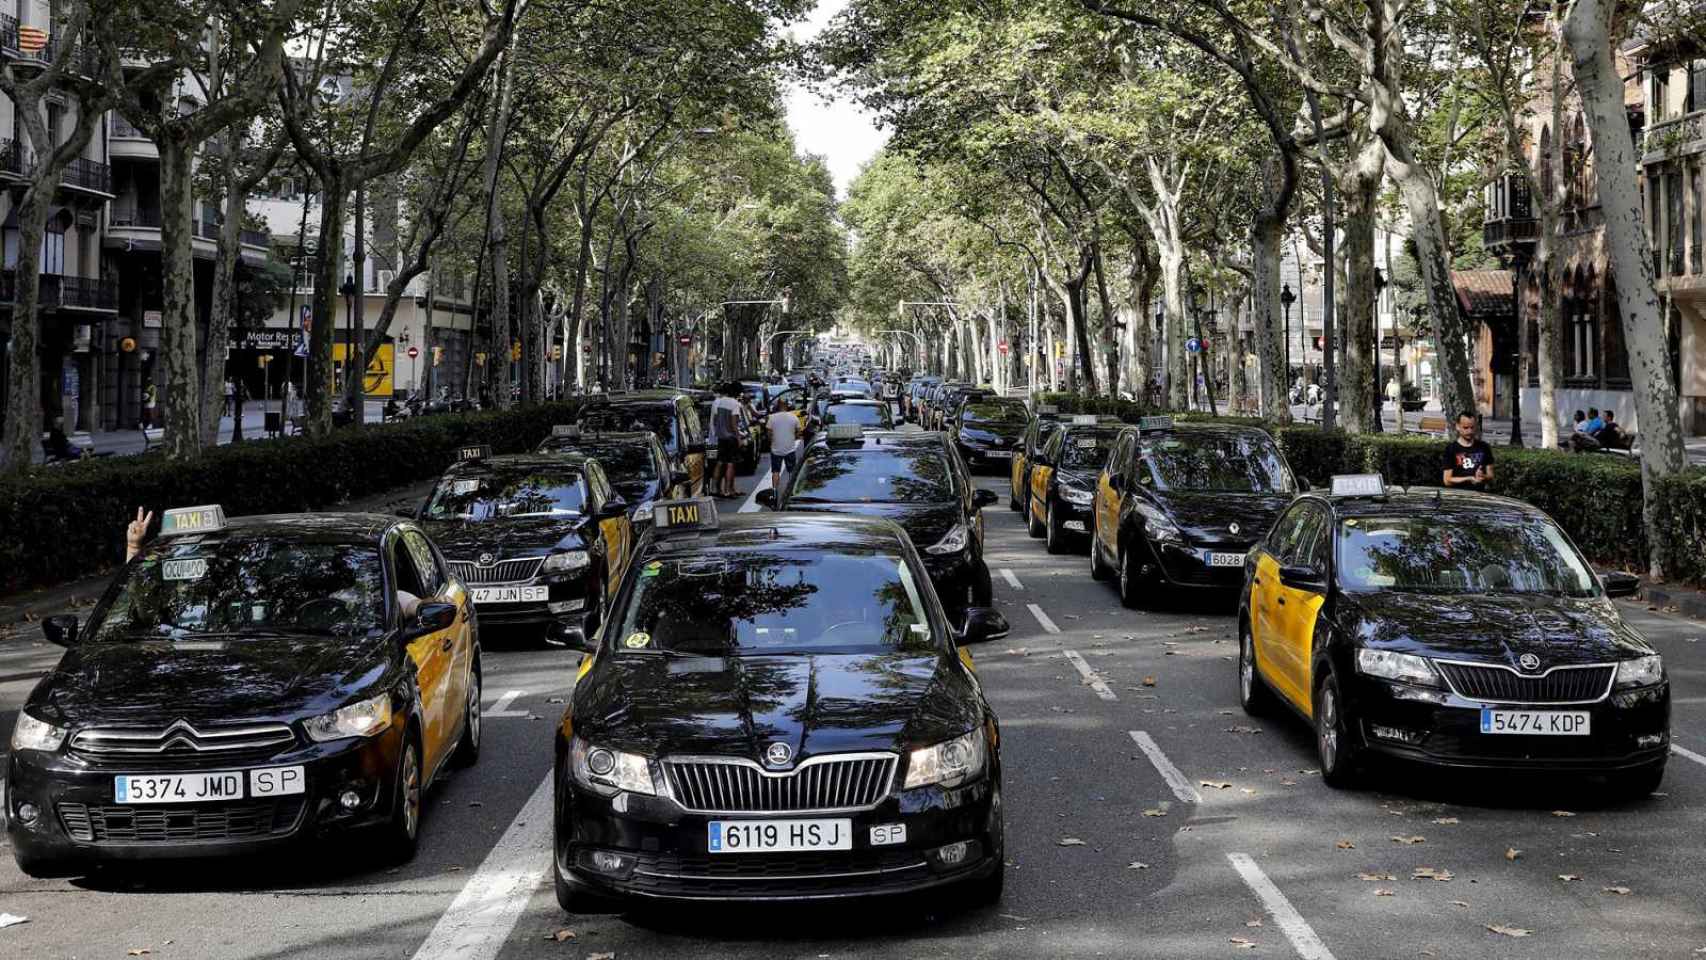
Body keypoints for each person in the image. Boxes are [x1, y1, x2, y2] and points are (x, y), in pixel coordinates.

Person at [1441, 410, 1495, 491]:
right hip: (1459, 495)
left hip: (1480, 495)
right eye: (1465, 428)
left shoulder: (1484, 447)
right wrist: (1469, 478)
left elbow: (1490, 475)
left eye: (1472, 427)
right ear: (1457, 426)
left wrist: (1482, 477)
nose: (1470, 431)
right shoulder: (1451, 449)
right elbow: (1447, 480)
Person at [710, 382, 743, 498]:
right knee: (730, 464)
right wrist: (738, 437)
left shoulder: (721, 402)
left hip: (721, 437)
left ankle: (714, 488)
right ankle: (728, 490)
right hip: (730, 437)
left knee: (719, 462)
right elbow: (734, 423)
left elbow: (715, 420)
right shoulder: (735, 404)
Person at [766, 397, 802, 498]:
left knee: (775, 471)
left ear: (778, 405)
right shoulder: (793, 417)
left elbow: (768, 433)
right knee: (791, 471)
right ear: (787, 405)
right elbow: (799, 432)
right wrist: (792, 438)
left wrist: (772, 440)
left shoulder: (772, 417)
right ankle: (790, 493)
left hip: (776, 448)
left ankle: (774, 492)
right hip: (790, 448)